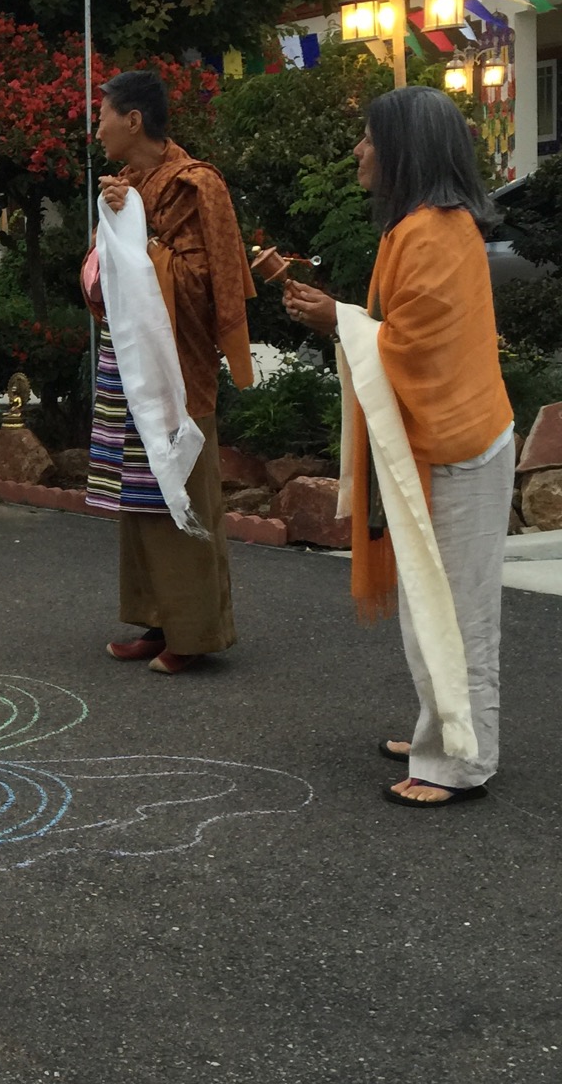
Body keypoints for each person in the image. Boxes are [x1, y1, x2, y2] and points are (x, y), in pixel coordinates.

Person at [284, 86, 514, 809]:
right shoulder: (416, 228)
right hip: (446, 444)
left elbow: (415, 350)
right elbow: (401, 337)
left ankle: (459, 760)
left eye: (369, 138)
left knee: (457, 610)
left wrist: (339, 321)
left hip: (459, 447)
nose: (359, 150)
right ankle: (442, 730)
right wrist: (343, 318)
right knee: (433, 601)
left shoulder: (434, 233)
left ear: (403, 149)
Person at [87, 69, 255, 674]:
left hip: (178, 364)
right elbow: (109, 269)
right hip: (130, 356)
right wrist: (118, 229)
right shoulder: (128, 185)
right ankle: (156, 619)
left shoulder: (195, 184)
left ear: (133, 120)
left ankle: (196, 630)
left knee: (181, 483)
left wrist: (134, 244)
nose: (96, 128)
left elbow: (205, 281)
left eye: (103, 115)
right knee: (140, 487)